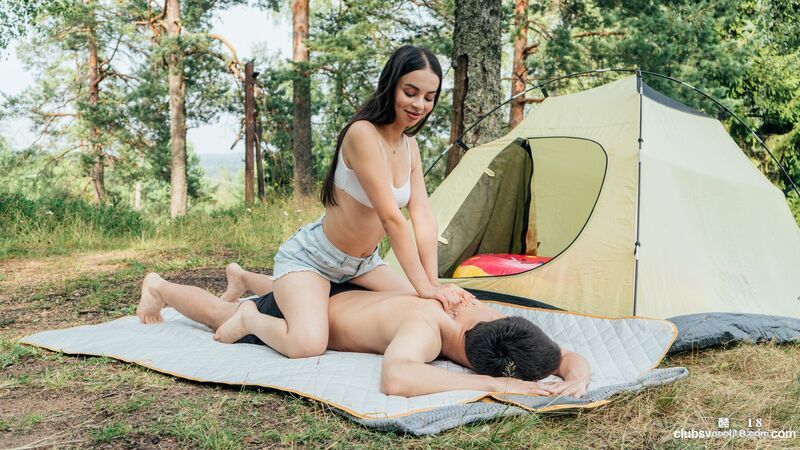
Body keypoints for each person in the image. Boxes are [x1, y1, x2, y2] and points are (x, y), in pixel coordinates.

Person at [136, 265, 591, 397]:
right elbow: (397, 378)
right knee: (221, 315)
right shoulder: (425, 330)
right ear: (473, 362)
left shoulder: (477, 311)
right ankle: (160, 287)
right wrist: (496, 384)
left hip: (341, 289)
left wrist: (577, 375)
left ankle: (243, 276)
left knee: (288, 286)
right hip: (314, 305)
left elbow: (562, 356)